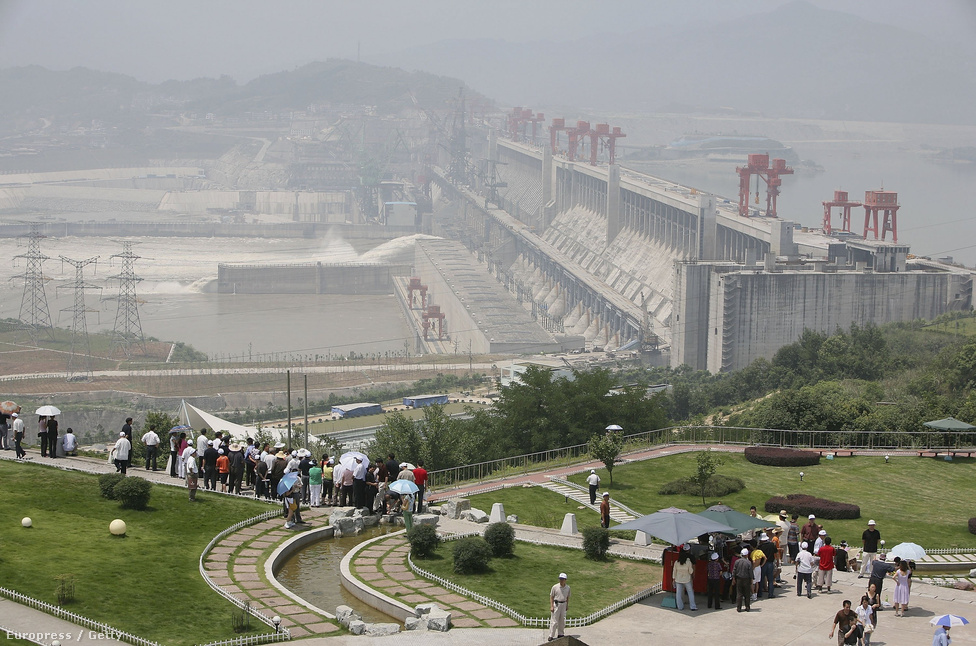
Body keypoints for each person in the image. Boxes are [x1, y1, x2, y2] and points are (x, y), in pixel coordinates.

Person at [673, 546, 698, 611]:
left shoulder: (676, 562)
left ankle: (680, 607)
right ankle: (692, 606)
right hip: (687, 579)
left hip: (678, 579)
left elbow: (674, 571)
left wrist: (673, 579)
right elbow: (691, 571)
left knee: (678, 593)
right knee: (690, 592)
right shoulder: (688, 562)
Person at [548, 573, 570, 641]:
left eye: (562, 579)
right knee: (554, 620)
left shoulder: (568, 588)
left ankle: (560, 634)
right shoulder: (555, 587)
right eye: (560, 579)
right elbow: (551, 597)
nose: (561, 580)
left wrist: (567, 605)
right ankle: (551, 635)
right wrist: (551, 606)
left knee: (562, 620)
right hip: (557, 604)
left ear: (565, 580)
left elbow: (567, 597)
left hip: (563, 604)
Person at [733, 547, 754, 612]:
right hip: (746, 579)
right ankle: (747, 607)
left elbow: (734, 570)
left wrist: (733, 578)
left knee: (739, 594)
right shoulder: (748, 562)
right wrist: (751, 579)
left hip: (739, 579)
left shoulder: (737, 561)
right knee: (747, 594)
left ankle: (738, 608)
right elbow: (750, 572)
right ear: (747, 555)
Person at [758, 532, 777, 598]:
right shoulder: (772, 545)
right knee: (770, 580)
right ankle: (770, 594)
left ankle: (759, 593)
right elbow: (776, 553)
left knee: (761, 579)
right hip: (770, 563)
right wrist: (777, 561)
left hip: (763, 564)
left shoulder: (760, 547)